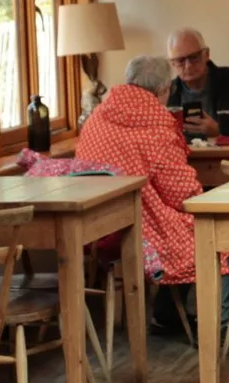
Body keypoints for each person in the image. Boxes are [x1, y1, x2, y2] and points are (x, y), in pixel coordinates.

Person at [76, 54, 207, 287]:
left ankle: (164, 315)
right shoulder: (156, 126)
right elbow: (182, 194)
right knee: (216, 235)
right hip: (135, 231)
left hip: (92, 227)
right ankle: (213, 318)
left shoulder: (98, 115)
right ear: (165, 89)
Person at [164, 27, 229, 140]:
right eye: (180, 60)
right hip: (186, 156)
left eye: (194, 57)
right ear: (172, 63)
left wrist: (220, 129)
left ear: (206, 54)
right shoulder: (167, 92)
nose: (188, 66)